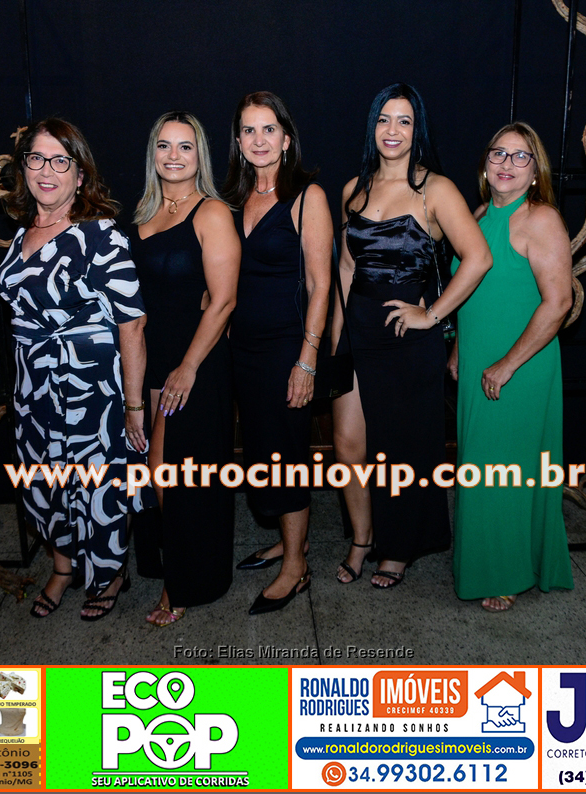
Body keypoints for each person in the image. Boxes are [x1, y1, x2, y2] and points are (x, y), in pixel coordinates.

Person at [331, 83, 492, 589]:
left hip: (407, 340)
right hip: (357, 333)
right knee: (348, 444)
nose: (393, 130)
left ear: (417, 128)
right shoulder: (353, 189)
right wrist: (333, 343)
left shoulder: (436, 189)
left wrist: (433, 315)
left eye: (404, 120)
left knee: (401, 448)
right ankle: (362, 538)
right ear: (372, 126)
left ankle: (398, 547)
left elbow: (479, 258)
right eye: (384, 119)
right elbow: (346, 267)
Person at [0, 118, 150, 621]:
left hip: (88, 387)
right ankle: (63, 567)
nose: (47, 171)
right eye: (36, 159)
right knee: (42, 484)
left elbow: (132, 324)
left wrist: (133, 406)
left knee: (95, 487)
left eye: (60, 161)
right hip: (32, 387)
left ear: (80, 176)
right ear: (24, 168)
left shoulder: (100, 236)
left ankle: (109, 574)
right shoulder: (22, 232)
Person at [447, 122, 575, 611]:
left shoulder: (541, 219)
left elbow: (558, 303)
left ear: (536, 170)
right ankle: (493, 558)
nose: (507, 164)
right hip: (480, 359)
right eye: (498, 153)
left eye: (521, 156)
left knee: (502, 470)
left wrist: (507, 364)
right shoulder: (480, 214)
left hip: (520, 367)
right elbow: (471, 291)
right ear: (485, 163)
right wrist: (460, 348)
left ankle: (504, 572)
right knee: (478, 467)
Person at [127, 111, 240, 627]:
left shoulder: (211, 212)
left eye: (185, 147)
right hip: (151, 359)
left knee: (171, 473)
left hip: (195, 361)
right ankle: (180, 567)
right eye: (164, 146)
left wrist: (188, 367)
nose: (174, 156)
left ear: (200, 156)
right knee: (160, 473)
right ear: (153, 153)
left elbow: (224, 300)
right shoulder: (144, 212)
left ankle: (183, 583)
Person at [222, 91, 332, 614]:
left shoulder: (308, 196)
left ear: (286, 139)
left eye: (269, 129)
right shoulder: (232, 198)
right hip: (241, 349)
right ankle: (291, 543)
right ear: (238, 141)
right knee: (264, 453)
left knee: (286, 457)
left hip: (287, 348)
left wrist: (306, 360)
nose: (259, 139)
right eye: (249, 130)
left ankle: (295, 567)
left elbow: (321, 283)